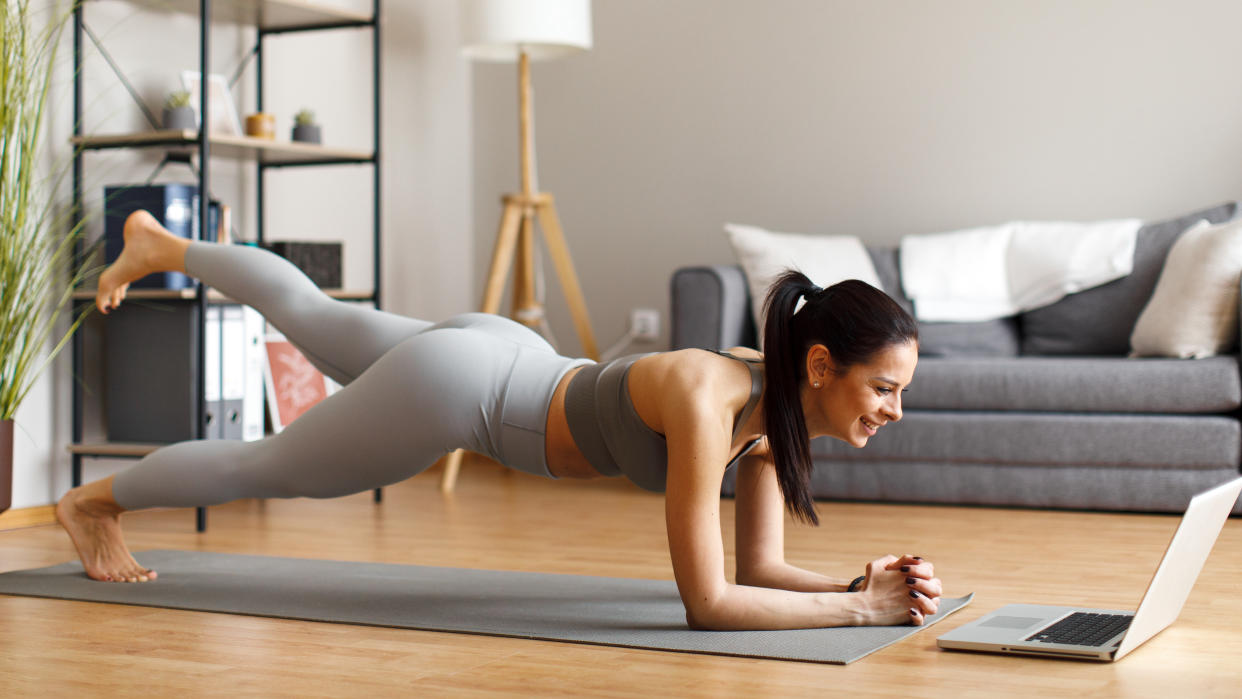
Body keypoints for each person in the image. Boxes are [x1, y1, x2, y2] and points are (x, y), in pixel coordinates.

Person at [57, 210, 939, 631]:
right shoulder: (711, 402)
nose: (893, 411)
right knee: (274, 468)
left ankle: (165, 246)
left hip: (504, 353)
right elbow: (707, 603)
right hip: (466, 393)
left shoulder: (771, 413)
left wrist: (854, 583)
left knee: (319, 318)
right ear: (821, 365)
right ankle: (97, 502)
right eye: (884, 388)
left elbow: (759, 566)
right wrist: (861, 614)